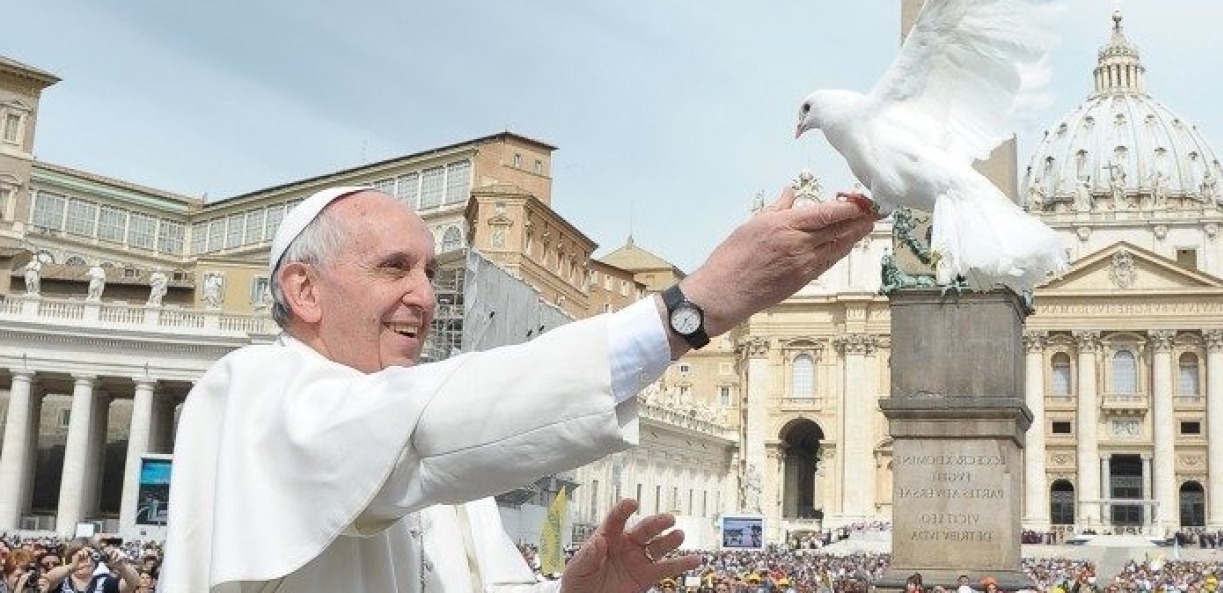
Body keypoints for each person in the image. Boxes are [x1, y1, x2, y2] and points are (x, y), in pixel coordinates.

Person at [160, 185, 876, 592]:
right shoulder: (248, 393)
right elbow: (423, 424)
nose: (423, 296)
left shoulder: (444, 483)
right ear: (304, 289)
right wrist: (688, 311)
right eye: (394, 268)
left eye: (431, 276)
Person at [43, 544, 140, 593]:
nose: (87, 562)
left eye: (92, 557)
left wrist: (122, 567)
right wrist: (72, 567)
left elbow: (133, 583)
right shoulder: (61, 581)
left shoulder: (105, 582)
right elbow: (48, 579)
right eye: (81, 558)